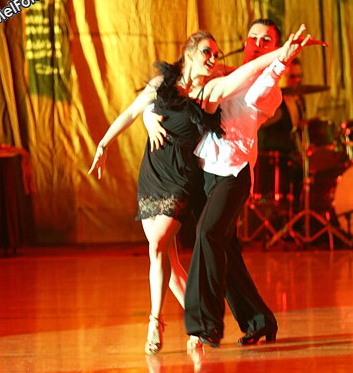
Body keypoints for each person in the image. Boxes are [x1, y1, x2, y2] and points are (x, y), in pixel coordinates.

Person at [89, 26, 309, 355]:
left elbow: (251, 74)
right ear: (190, 52)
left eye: (268, 41)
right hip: (172, 174)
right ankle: (252, 321)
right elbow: (139, 106)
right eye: (207, 52)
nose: (213, 58)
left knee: (182, 240)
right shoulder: (187, 80)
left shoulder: (234, 88)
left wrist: (282, 57)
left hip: (214, 175)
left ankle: (183, 324)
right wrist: (127, 129)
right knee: (190, 253)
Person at [147, 19, 324, 349]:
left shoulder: (270, 89)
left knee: (207, 235)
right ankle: (259, 321)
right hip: (204, 172)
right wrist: (147, 117)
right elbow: (168, 88)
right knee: (226, 252)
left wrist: (281, 59)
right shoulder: (220, 71)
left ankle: (205, 325)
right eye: (254, 37)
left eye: (267, 40)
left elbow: (256, 86)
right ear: (245, 42)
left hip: (233, 173)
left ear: (275, 47)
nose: (258, 43)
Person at [257, 57, 306, 208]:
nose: (297, 80)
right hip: (276, 161)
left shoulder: (300, 99)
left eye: (299, 76)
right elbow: (263, 137)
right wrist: (293, 145)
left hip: (295, 157)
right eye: (292, 76)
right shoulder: (272, 101)